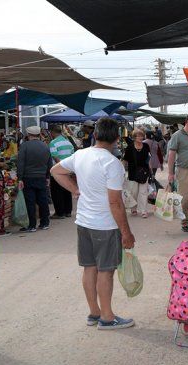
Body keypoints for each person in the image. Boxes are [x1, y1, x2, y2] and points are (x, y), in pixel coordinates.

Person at [50, 117, 136, 330]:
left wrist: (75, 190)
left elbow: (56, 171)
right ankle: (107, 317)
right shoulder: (112, 163)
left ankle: (94, 313)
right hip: (105, 225)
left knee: (90, 268)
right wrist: (126, 232)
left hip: (84, 222)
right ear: (117, 139)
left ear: (95, 135)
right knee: (106, 271)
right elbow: (115, 201)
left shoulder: (80, 155)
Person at [17, 126, 53, 233]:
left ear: (28, 135)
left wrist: (19, 178)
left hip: (28, 177)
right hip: (42, 177)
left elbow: (21, 162)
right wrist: (47, 176)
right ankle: (45, 223)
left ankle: (32, 225)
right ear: (39, 134)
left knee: (30, 202)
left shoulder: (25, 146)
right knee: (43, 200)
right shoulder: (45, 146)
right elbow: (49, 163)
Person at [123, 129, 151, 218]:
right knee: (134, 192)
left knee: (143, 193)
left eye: (141, 136)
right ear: (134, 137)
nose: (140, 137)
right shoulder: (130, 147)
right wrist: (122, 171)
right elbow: (125, 160)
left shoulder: (146, 146)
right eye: (138, 136)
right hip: (133, 173)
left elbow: (148, 158)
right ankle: (133, 209)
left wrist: (150, 171)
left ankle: (144, 211)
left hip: (144, 172)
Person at [48, 125, 75, 219]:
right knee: (67, 190)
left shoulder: (53, 143)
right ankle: (68, 211)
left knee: (56, 192)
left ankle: (60, 212)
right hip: (68, 170)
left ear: (52, 132)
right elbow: (72, 157)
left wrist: (61, 168)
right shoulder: (68, 143)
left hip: (57, 171)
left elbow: (55, 157)